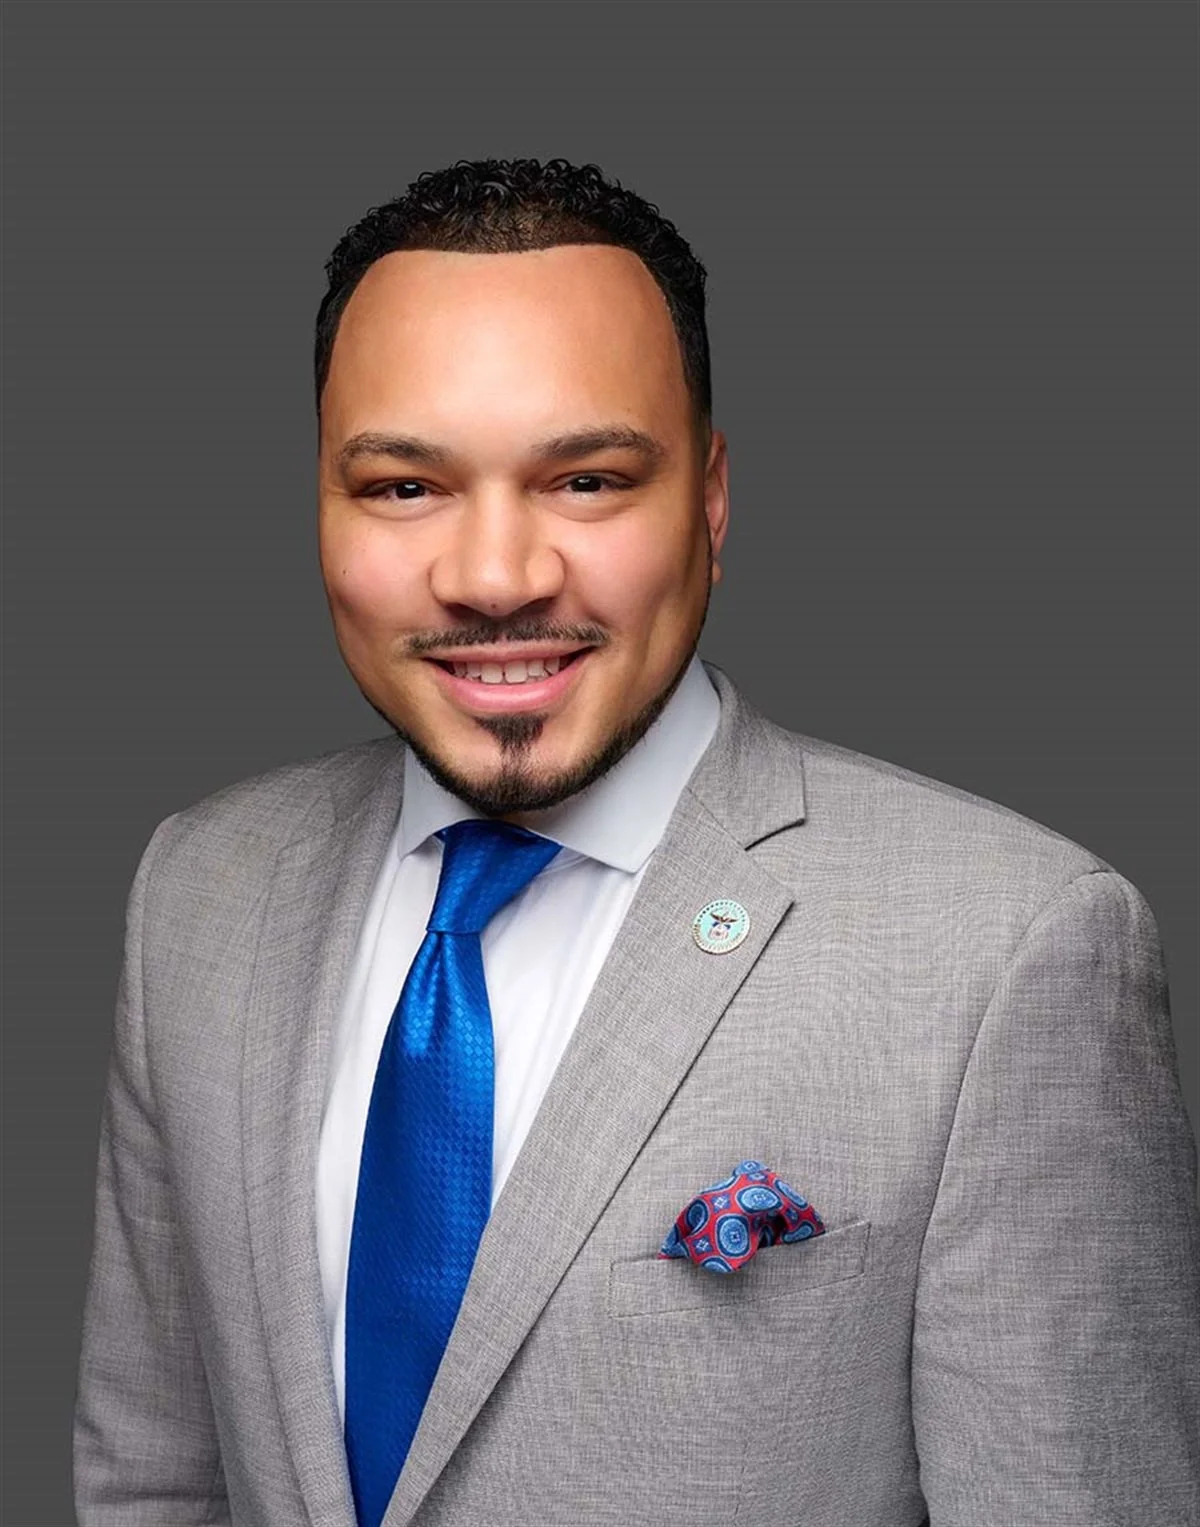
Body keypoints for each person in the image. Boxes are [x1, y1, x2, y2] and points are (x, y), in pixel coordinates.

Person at [74, 157, 1199, 1527]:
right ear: (318, 501)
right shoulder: (198, 891)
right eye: (405, 488)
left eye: (588, 479)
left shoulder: (1011, 946)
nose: (496, 577)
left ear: (711, 502)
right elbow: (148, 1474)